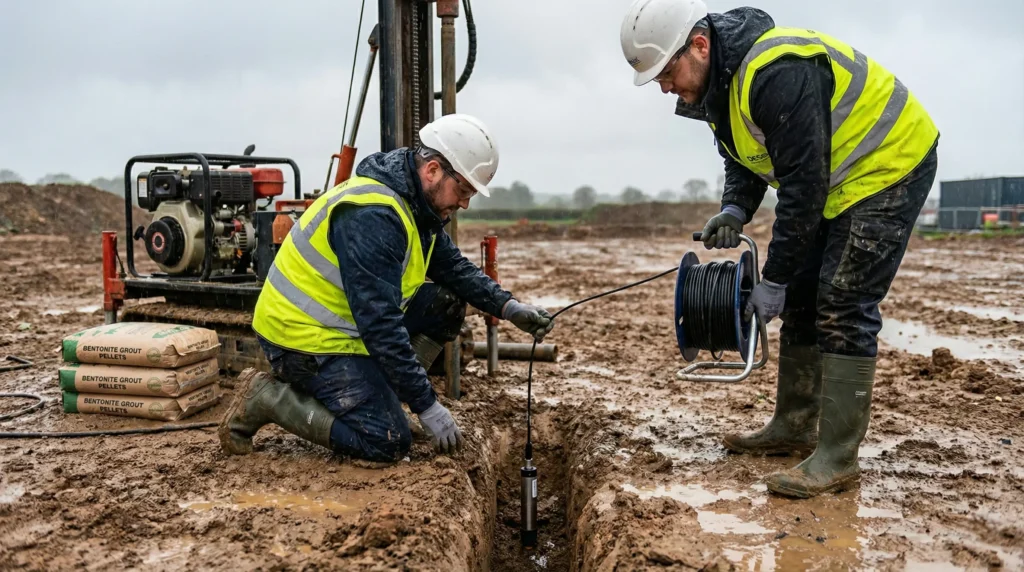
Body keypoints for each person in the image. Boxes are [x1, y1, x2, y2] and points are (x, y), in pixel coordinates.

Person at [620, 0, 938, 498]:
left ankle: (837, 457)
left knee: (842, 301)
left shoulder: (776, 71)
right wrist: (733, 210)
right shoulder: (717, 88)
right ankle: (793, 424)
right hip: (836, 182)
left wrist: (774, 278)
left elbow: (803, 188)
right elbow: (745, 159)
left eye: (665, 72)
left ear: (699, 45)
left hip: (887, 164)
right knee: (803, 298)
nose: (664, 88)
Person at [218, 114, 555, 464]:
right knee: (388, 440)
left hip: (348, 325)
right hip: (303, 338)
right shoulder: (374, 217)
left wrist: (508, 306)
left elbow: (453, 268)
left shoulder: (415, 203)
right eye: (464, 190)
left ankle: (382, 396)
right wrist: (426, 405)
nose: (465, 204)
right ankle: (267, 397)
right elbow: (381, 326)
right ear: (433, 170)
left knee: (447, 304)